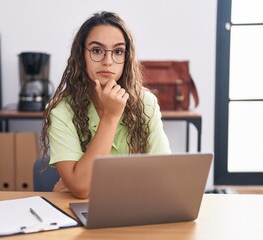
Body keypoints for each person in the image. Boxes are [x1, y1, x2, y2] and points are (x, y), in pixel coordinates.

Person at [40, 11, 171, 199]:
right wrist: (111, 117)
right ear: (81, 55)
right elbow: (82, 187)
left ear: (126, 58)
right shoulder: (61, 111)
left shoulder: (146, 102)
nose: (108, 62)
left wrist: (95, 183)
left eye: (118, 51)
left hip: (136, 207)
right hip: (83, 214)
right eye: (96, 50)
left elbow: (163, 175)